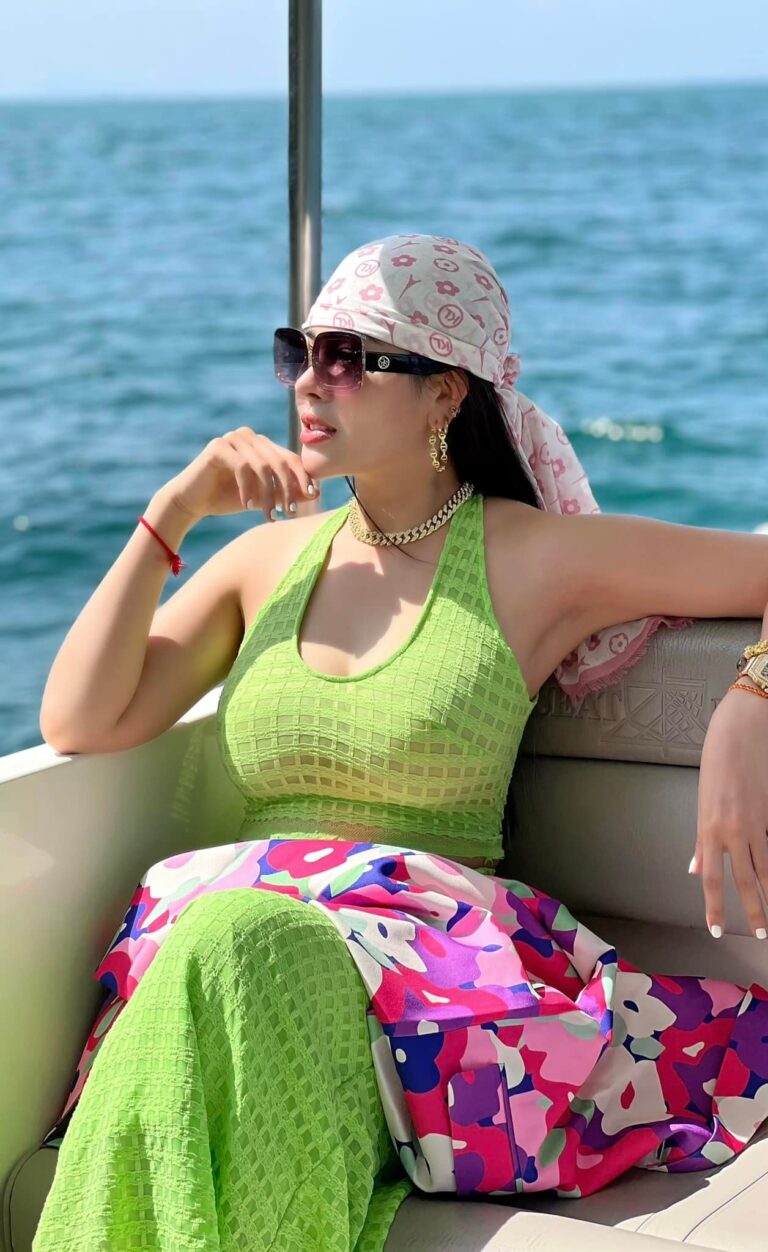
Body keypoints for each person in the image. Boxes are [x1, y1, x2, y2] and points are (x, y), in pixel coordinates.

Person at [33, 234, 768, 1251]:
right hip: (239, 967)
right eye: (302, 352)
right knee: (230, 943)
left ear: (445, 394)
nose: (312, 381)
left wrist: (747, 705)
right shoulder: (264, 561)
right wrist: (173, 511)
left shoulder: (533, 558)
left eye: (352, 356)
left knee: (233, 938)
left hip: (423, 993)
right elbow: (80, 718)